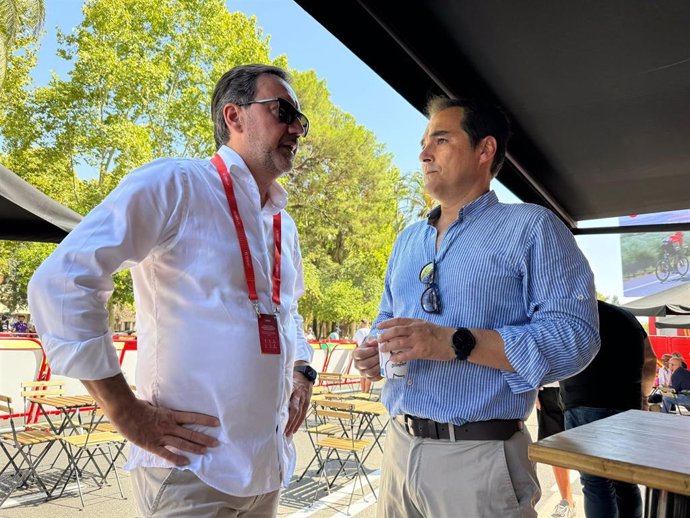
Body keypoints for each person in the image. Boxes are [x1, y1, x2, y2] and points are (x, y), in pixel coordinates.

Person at [28, 64, 316, 518]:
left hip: (268, 470)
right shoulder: (178, 184)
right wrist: (125, 413)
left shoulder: (283, 223)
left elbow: (288, 314)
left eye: (301, 119)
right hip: (192, 472)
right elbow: (62, 283)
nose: (297, 126)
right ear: (234, 116)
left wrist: (303, 372)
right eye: (284, 110)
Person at [352, 96, 600, 518]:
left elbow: (576, 336)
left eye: (441, 139)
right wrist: (376, 348)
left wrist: (456, 342)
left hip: (479, 459)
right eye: (424, 142)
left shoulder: (532, 227)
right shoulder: (407, 240)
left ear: (484, 150)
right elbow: (385, 315)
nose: (423, 153)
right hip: (397, 450)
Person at [560, 300, 657, 518]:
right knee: (626, 481)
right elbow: (651, 359)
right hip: (628, 406)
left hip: (584, 403)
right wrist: (643, 395)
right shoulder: (627, 317)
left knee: (595, 483)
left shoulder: (570, 315)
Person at [535, 383, 575, 518]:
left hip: (579, 384)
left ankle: (604, 499)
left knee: (590, 446)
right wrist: (533, 389)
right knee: (556, 448)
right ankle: (567, 501)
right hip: (547, 388)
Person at [352, 319, 373, 393]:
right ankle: (366, 391)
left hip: (360, 351)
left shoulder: (359, 331)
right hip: (370, 351)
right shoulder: (371, 330)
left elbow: (354, 340)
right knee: (368, 374)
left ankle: (362, 391)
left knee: (362, 372)